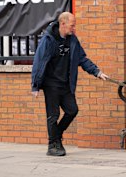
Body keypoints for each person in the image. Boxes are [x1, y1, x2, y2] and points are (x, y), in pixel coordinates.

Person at [31, 12, 109, 156]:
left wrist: (97, 72)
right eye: (72, 26)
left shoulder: (72, 40)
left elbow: (82, 59)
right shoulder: (48, 40)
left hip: (66, 84)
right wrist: (35, 85)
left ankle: (57, 134)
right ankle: (52, 145)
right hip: (51, 84)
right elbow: (39, 61)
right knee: (53, 115)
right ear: (63, 24)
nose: (74, 29)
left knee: (72, 110)